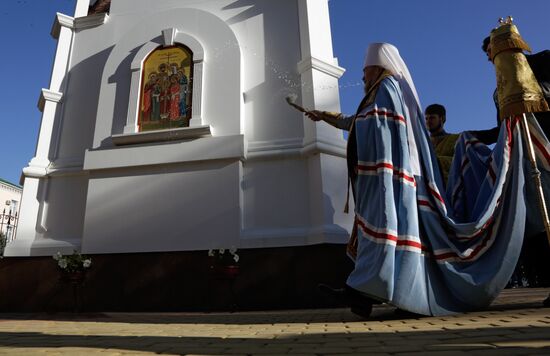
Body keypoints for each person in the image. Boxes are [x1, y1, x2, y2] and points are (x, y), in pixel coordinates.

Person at [473, 34, 550, 307]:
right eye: (488, 55)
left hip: (546, 148)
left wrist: (529, 89)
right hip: (524, 161)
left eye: (493, 50)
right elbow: (501, 129)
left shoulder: (542, 62)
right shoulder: (499, 88)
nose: (492, 58)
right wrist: (472, 137)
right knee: (536, 223)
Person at [425, 104, 458, 184]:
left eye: (432, 118)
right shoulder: (423, 144)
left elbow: (459, 163)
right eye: (426, 118)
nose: (428, 121)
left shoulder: (456, 139)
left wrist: (437, 161)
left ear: (442, 118)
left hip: (448, 190)